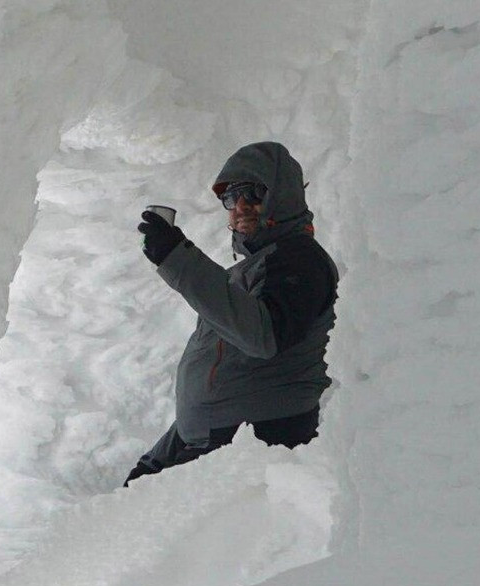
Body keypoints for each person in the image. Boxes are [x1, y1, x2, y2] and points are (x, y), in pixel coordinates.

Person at [124, 141, 339, 485]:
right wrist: (160, 456)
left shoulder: (300, 260)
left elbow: (264, 337)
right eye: (230, 198)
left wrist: (177, 258)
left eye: (253, 192)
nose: (240, 206)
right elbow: (223, 372)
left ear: (282, 195)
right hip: (216, 439)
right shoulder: (254, 269)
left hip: (255, 446)